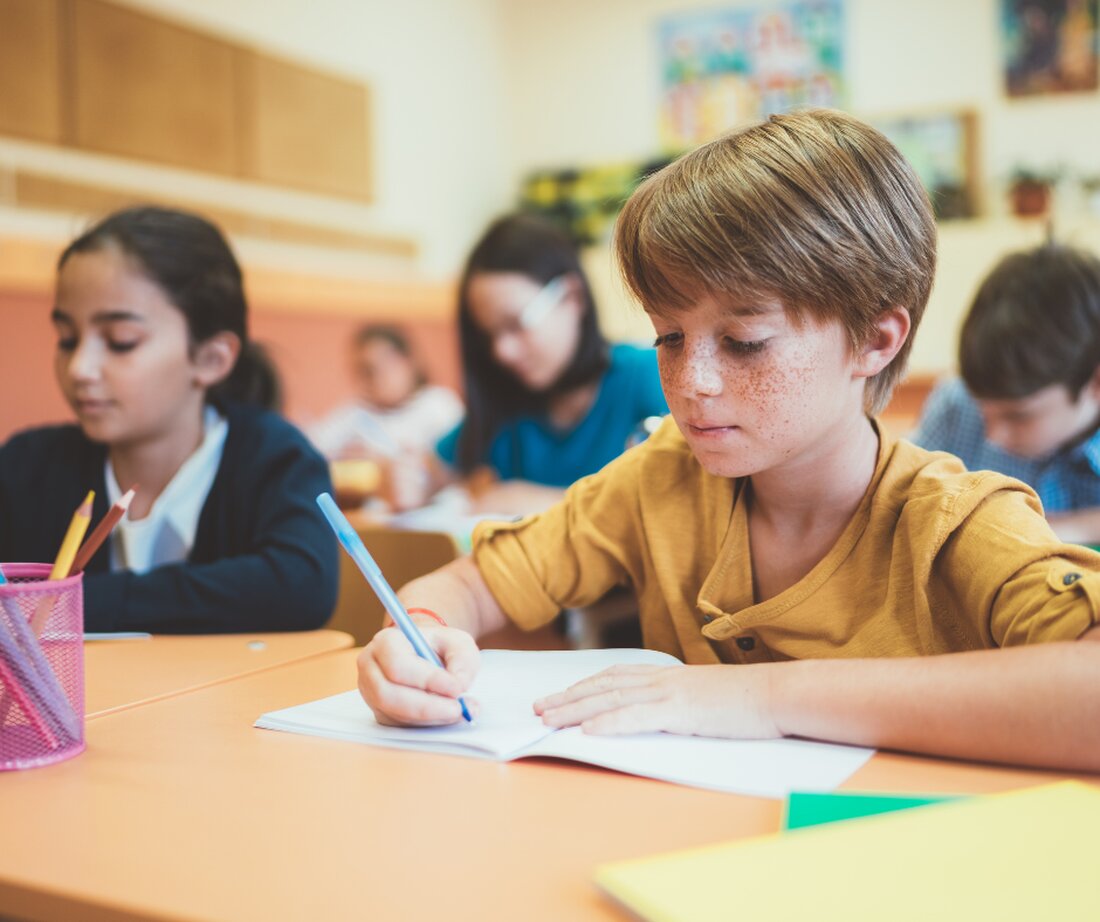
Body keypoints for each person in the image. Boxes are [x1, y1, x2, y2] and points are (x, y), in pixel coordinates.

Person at [355, 110, 1100, 772]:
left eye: (745, 341)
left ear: (874, 340)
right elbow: (469, 584)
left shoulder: (960, 521)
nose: (693, 381)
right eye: (669, 337)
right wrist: (416, 637)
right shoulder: (660, 480)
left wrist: (760, 696)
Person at [0, 206, 338, 633]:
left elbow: (300, 588)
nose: (80, 368)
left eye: (121, 342)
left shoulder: (275, 458)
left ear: (211, 359)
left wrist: (67, 602)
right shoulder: (26, 467)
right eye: (67, 339)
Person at [398, 213, 667, 515]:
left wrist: (543, 502)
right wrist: (411, 479)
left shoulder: (648, 375)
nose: (502, 351)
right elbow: (432, 469)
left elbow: (681, 500)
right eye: (488, 335)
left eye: (515, 324)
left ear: (572, 297)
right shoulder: (505, 403)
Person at [913, 244, 1100, 545]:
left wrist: (1067, 529)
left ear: (1096, 383)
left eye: (1018, 416)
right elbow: (904, 496)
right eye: (982, 407)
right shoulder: (957, 402)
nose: (994, 436)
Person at [308, 324, 463, 461]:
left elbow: (457, 462)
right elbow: (315, 446)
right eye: (365, 371)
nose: (375, 378)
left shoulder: (438, 404)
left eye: (384, 365)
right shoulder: (355, 411)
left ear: (409, 361)